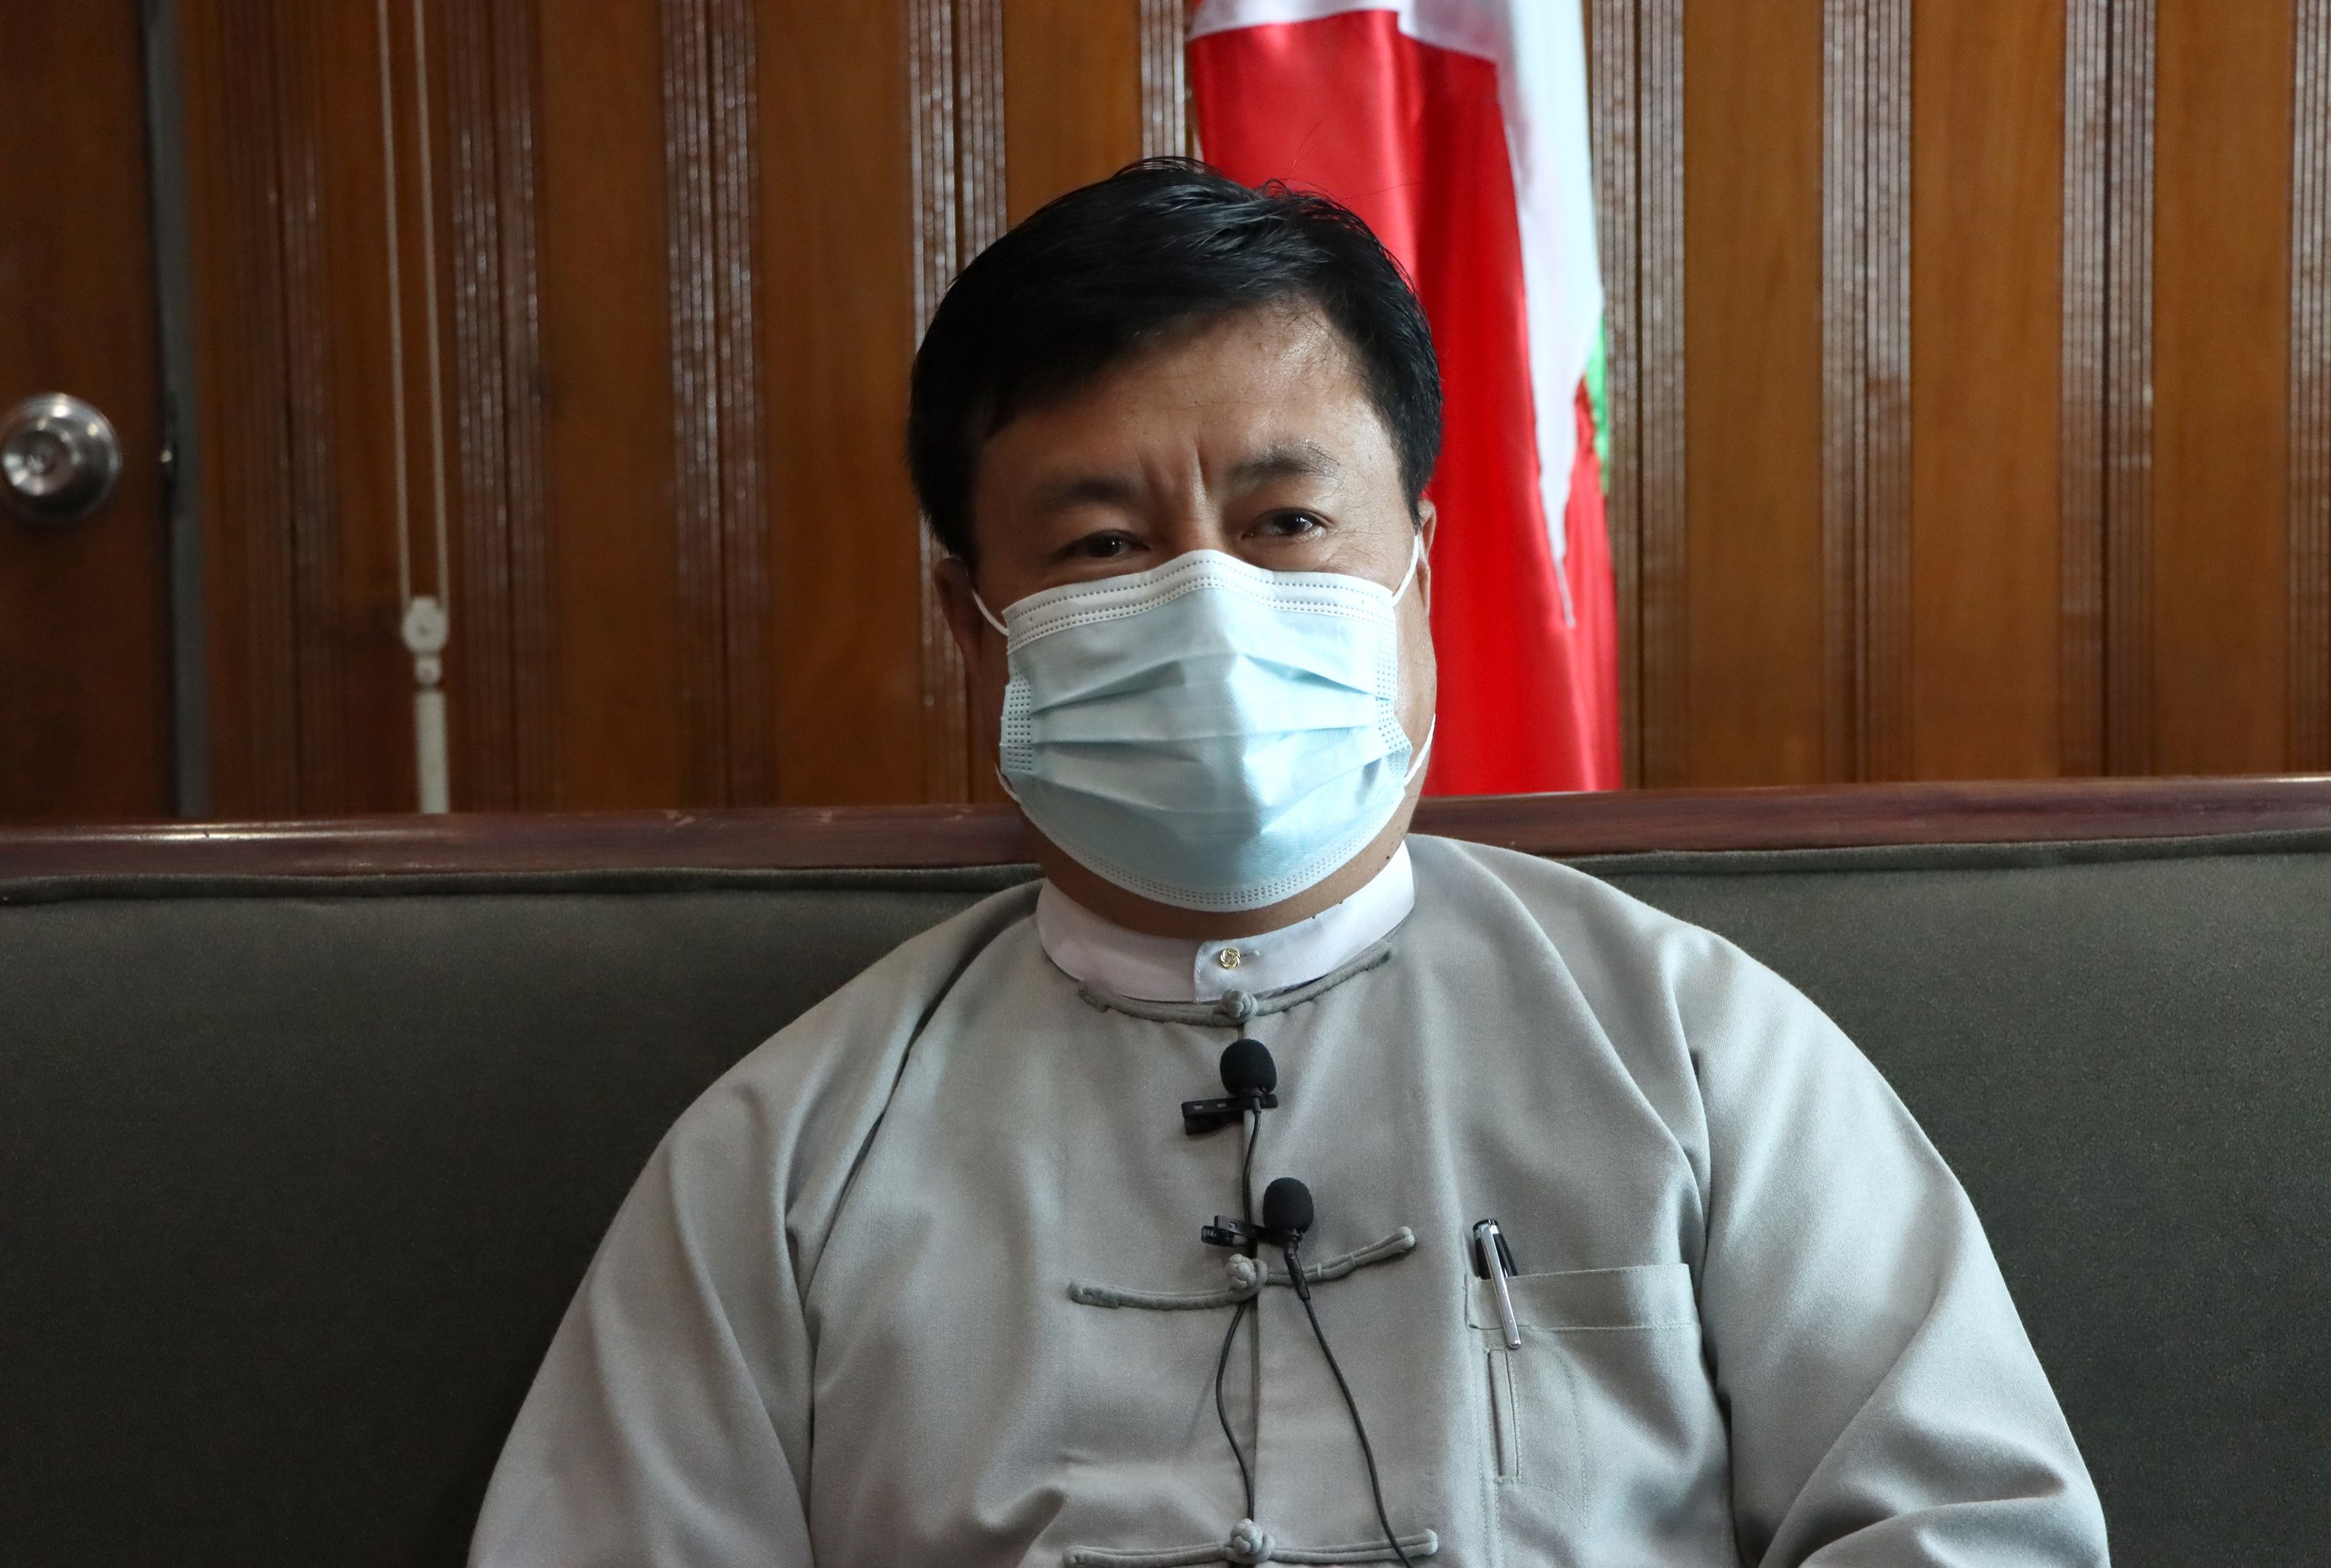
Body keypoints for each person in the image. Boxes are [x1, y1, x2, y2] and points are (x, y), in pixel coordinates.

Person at [468, 161, 2108, 1568]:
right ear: (977, 627)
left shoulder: (1693, 1046)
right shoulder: (790, 1156)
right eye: (1104, 544)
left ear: (1418, 568)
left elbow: (1971, 1529)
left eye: (1285, 524)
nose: (1210, 603)